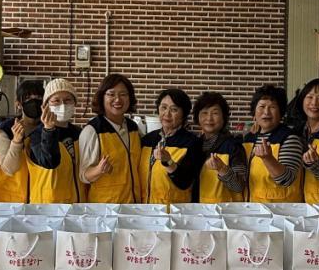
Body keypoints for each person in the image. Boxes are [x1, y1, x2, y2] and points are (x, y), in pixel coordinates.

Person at [0, 80, 44, 203]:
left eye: (39, 98)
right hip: (5, 202)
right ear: (18, 104)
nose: (34, 102)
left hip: (36, 200)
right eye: (28, 98)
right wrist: (16, 142)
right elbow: (9, 169)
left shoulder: (47, 130)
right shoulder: (5, 131)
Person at [79, 74, 142, 203]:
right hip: (104, 207)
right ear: (102, 97)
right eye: (111, 94)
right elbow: (83, 175)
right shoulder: (92, 131)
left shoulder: (133, 128)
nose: (117, 99)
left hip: (133, 205)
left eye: (123, 94)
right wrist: (98, 170)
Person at [139, 88, 201, 205]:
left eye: (174, 109)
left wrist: (168, 162)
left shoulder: (192, 143)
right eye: (163, 107)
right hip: (145, 209)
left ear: (183, 114)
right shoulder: (147, 140)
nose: (167, 114)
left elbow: (185, 182)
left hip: (173, 211)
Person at [242, 85, 303, 203]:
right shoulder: (249, 139)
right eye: (262, 106)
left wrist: (268, 159)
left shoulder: (290, 138)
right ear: (254, 111)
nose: (266, 112)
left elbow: (287, 179)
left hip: (282, 210)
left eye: (272, 107)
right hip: (253, 208)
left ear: (281, 112)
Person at [28, 78, 84, 203]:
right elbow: (49, 162)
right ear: (45, 106)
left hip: (77, 203)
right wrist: (49, 130)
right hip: (48, 205)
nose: (63, 105)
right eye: (56, 101)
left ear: (74, 103)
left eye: (68, 100)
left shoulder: (79, 133)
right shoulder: (37, 134)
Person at [191, 92, 246, 203]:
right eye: (204, 113)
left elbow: (239, 186)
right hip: (198, 209)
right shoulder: (194, 145)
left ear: (224, 117)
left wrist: (222, 169)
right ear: (197, 117)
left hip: (225, 210)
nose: (209, 118)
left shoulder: (234, 146)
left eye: (215, 113)